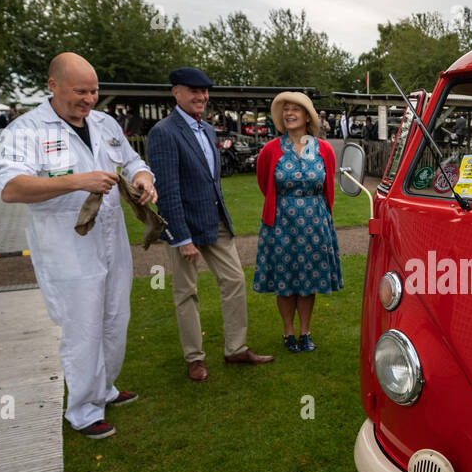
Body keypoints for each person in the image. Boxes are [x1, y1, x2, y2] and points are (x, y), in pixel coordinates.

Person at [0, 52, 157, 440]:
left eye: (94, 91)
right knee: (83, 327)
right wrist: (75, 181)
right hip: (67, 248)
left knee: (115, 318)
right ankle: (83, 410)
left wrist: (145, 178)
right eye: (80, 91)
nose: (89, 99)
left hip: (112, 240)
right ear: (52, 86)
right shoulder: (26, 130)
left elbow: (132, 160)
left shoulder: (104, 123)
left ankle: (105, 389)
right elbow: (11, 188)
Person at [147, 67, 273, 382]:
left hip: (215, 222)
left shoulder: (207, 130)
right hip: (183, 227)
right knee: (186, 292)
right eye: (194, 91)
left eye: (205, 91)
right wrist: (182, 238)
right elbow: (168, 191)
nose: (201, 97)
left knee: (234, 281)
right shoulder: (164, 132)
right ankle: (194, 359)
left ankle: (236, 349)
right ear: (176, 92)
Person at [254, 92, 343, 352]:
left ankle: (305, 331)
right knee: (285, 280)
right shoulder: (271, 149)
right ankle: (288, 332)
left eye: (296, 109)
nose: (289, 114)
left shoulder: (323, 149)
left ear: (307, 116)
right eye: (286, 110)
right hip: (281, 222)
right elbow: (264, 182)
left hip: (315, 222)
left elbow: (329, 186)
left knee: (309, 280)